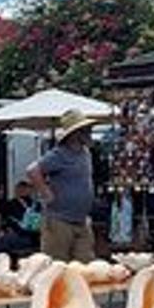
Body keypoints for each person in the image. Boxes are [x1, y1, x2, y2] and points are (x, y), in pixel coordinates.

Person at [24, 110, 98, 262]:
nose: (90, 132)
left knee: (84, 265)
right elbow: (32, 170)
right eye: (86, 130)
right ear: (76, 133)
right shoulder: (59, 154)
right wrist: (46, 192)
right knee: (56, 267)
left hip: (81, 220)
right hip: (59, 221)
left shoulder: (85, 153)